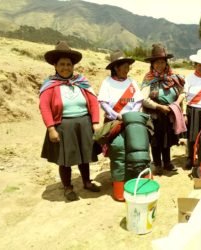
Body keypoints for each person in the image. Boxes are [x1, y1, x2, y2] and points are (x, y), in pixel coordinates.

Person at [39, 41, 101, 202]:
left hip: (84, 124)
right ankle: (67, 187)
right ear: (55, 66)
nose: (65, 67)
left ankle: (87, 182)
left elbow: (93, 102)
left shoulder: (81, 82)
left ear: (73, 66)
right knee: (65, 159)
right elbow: (44, 107)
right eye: (62, 64)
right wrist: (51, 128)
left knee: (84, 156)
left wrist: (95, 122)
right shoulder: (50, 85)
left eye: (68, 64)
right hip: (63, 126)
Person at [97, 50, 143, 201]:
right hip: (114, 122)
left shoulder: (132, 83)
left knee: (134, 151)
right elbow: (103, 102)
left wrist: (132, 115)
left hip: (132, 122)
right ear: (116, 67)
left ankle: (132, 183)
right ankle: (119, 188)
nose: (127, 69)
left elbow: (138, 101)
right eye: (124, 66)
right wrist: (116, 115)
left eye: (128, 66)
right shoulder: (107, 83)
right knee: (118, 152)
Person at [141, 44, 186, 175]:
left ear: (166, 63)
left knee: (167, 139)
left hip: (170, 114)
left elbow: (183, 92)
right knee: (155, 141)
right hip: (154, 114)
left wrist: (177, 103)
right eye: (157, 62)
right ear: (152, 64)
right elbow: (143, 99)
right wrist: (159, 106)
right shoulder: (149, 78)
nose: (160, 65)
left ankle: (167, 162)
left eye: (162, 62)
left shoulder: (173, 77)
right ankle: (157, 164)